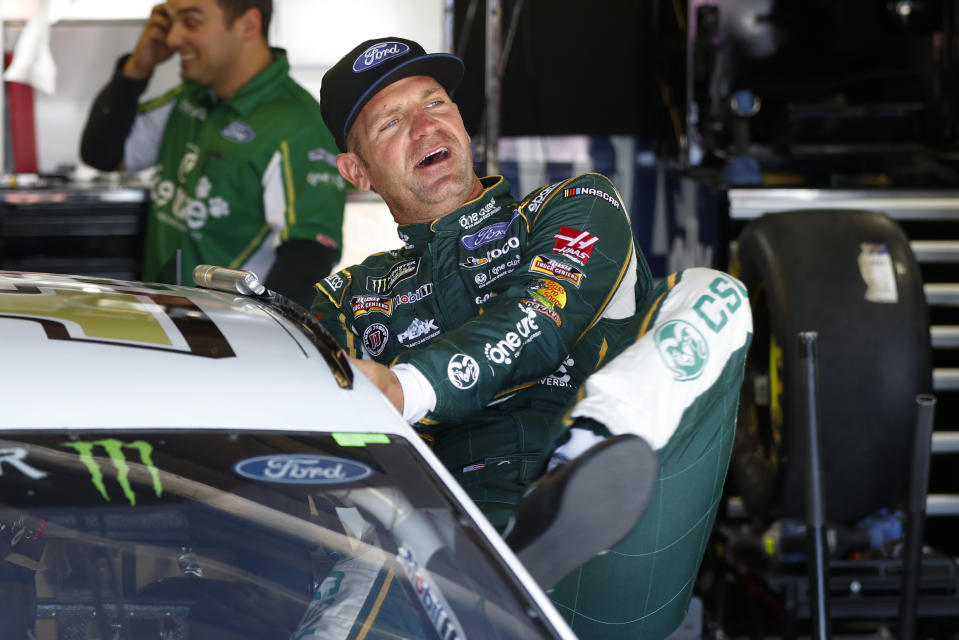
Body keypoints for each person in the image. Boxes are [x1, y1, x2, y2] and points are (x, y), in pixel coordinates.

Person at [311, 37, 752, 639]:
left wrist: (404, 387)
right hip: (442, 553)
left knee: (714, 292)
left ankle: (580, 458)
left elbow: (540, 317)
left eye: (435, 102)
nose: (424, 126)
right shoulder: (349, 296)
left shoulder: (574, 205)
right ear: (356, 171)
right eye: (391, 121)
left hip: (612, 543)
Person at [80, 0, 346, 308]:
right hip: (164, 318)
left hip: (224, 338)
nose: (172, 39)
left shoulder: (298, 125)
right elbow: (103, 154)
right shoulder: (192, 98)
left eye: (190, 23)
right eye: (171, 23)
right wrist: (138, 67)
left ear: (249, 25)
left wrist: (253, 337)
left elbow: (309, 254)